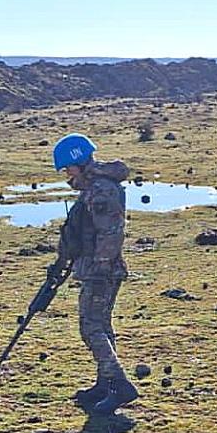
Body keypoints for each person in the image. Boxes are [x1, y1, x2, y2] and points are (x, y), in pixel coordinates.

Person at [48, 133, 139, 414]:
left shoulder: (101, 190)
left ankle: (120, 385)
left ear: (79, 164)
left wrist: (100, 268)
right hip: (96, 268)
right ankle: (105, 384)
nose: (67, 175)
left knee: (91, 327)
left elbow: (111, 232)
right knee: (100, 325)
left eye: (68, 169)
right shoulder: (92, 188)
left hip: (103, 271)